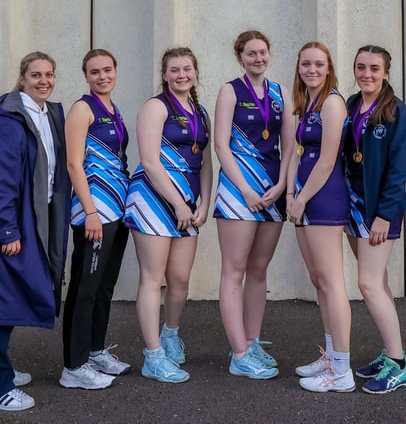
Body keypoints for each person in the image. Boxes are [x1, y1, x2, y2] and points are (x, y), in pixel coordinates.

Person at [0, 51, 70, 411]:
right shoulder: (9, 119)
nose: (43, 81)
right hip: (9, 224)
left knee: (7, 297)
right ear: (21, 79)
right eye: (35, 75)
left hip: (33, 218)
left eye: (49, 74)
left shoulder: (47, 114)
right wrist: (6, 230)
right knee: (0, 302)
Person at [124, 47, 212, 383]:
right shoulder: (155, 107)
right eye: (174, 70)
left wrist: (203, 201)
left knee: (179, 279)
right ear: (164, 75)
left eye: (187, 69)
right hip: (154, 200)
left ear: (195, 72)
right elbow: (149, 160)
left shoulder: (200, 111)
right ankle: (153, 355)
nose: (181, 75)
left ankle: (170, 334)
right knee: (153, 278)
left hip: (188, 203)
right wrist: (178, 204)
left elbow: (205, 160)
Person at [213, 30, 294, 380]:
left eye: (262, 52)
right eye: (251, 54)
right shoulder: (230, 91)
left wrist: (281, 185)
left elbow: (290, 145)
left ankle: (253, 340)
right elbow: (220, 145)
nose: (258, 58)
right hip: (238, 191)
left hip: (272, 189)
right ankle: (239, 353)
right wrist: (245, 189)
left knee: (259, 270)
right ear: (240, 57)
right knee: (234, 270)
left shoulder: (281, 93)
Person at [343, 45, 406, 394]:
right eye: (361, 67)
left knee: (367, 284)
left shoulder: (397, 111)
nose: (366, 74)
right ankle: (389, 354)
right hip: (354, 205)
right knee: (379, 282)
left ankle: (399, 365)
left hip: (380, 210)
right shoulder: (351, 105)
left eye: (374, 68)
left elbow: (400, 168)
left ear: (386, 71)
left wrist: (385, 215)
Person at [60, 49, 131, 390]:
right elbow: (74, 164)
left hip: (116, 210)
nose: (102, 76)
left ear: (115, 72)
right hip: (93, 214)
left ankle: (95, 350)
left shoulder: (113, 111)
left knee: (104, 288)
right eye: (94, 72)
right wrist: (90, 212)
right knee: (84, 289)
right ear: (85, 76)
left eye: (107, 70)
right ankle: (73, 367)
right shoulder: (82, 109)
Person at [287, 42, 353, 393]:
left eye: (318, 64)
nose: (312, 69)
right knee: (318, 281)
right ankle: (330, 355)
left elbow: (327, 160)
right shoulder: (307, 102)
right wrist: (290, 194)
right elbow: (298, 152)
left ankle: (342, 370)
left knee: (332, 282)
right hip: (303, 199)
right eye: (306, 64)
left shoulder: (332, 102)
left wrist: (302, 200)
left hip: (324, 200)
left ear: (329, 69)